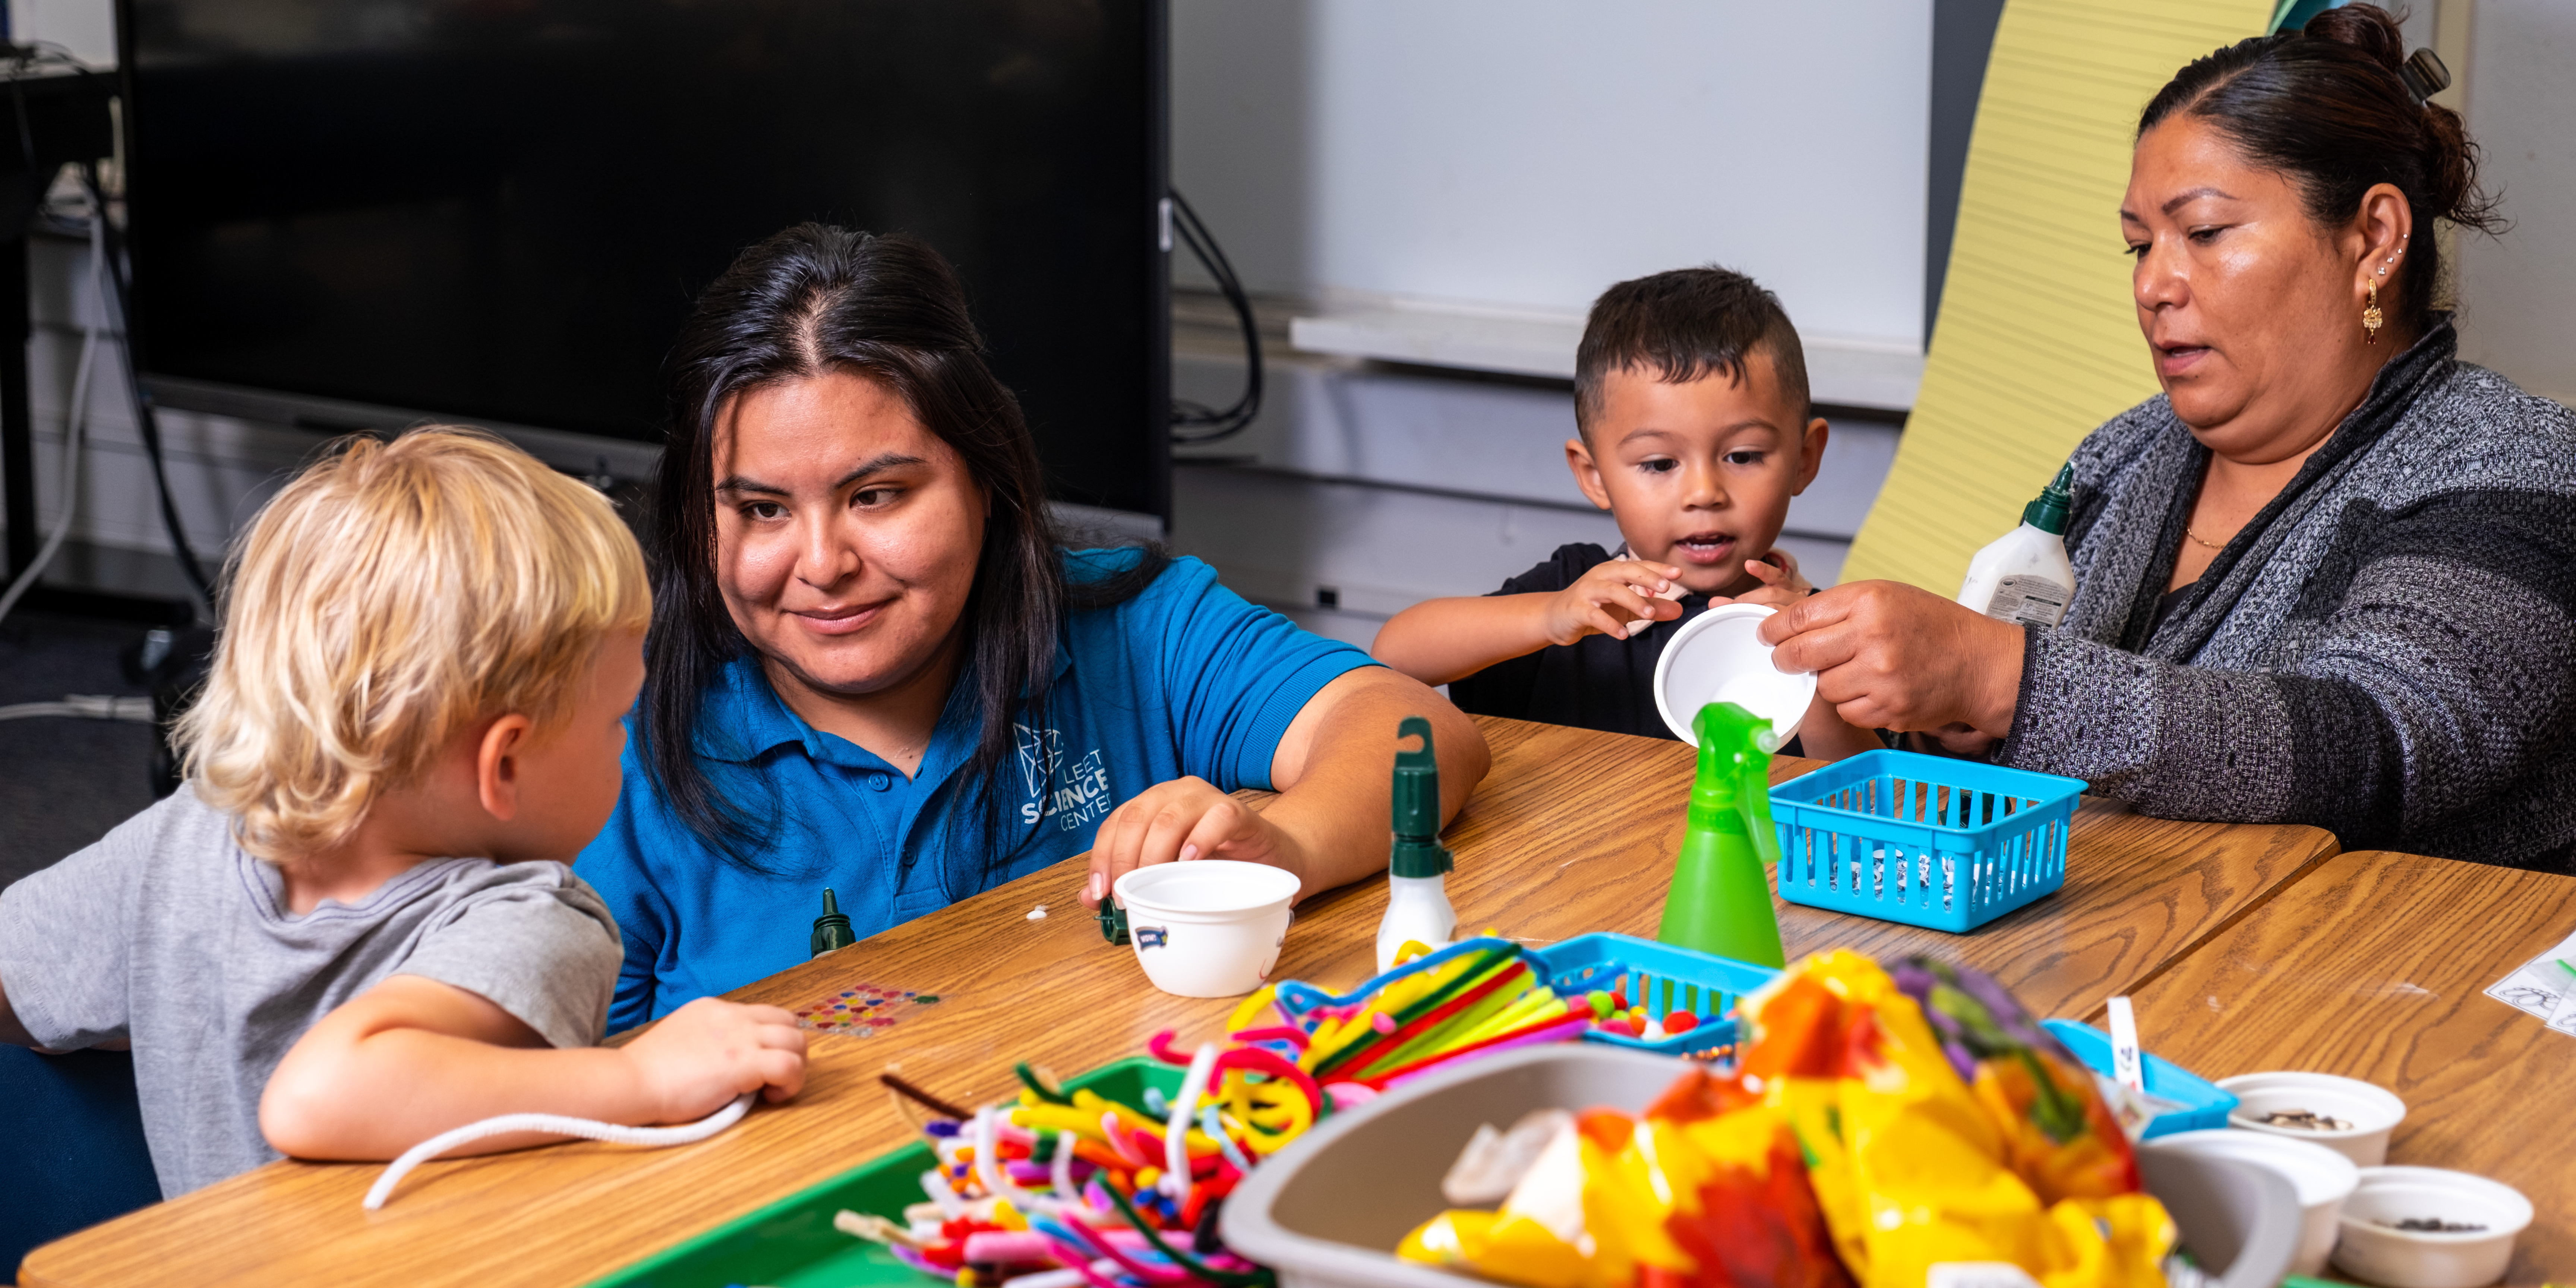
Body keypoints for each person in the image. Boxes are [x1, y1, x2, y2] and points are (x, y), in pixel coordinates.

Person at [577, 225, 1487, 1028]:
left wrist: (1285, 846)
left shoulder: (1135, 626)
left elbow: (1419, 732)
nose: (821, 564)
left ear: (987, 477)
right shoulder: (612, 730)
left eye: (877, 495)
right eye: (764, 511)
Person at [1759, 5, 2576, 869]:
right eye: (2139, 247)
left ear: (2373, 238)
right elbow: (1994, 774)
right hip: (2116, 960)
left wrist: (2001, 676)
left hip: (2388, 987)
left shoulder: (2507, 462)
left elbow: (2380, 745)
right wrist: (1840, 680)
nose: (2154, 284)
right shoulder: (2122, 458)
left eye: (2207, 233)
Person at [0, 429, 808, 1197]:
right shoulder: (537, 920)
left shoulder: (186, 838)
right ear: (504, 763)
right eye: (613, 724)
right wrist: (644, 1078)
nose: (627, 753)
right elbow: (316, 1096)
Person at [1372, 266, 1874, 755]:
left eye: (1742, 456)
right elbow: (1393, 657)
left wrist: (1812, 676)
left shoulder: (1827, 627)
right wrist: (1549, 615)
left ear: (1805, 460)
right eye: (1659, 463)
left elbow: (1883, 803)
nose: (1704, 492)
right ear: (1594, 476)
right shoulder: (1574, 593)